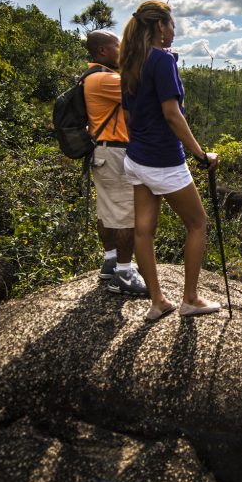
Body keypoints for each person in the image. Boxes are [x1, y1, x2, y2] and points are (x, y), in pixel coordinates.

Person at [119, 0, 221, 322]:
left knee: (143, 230)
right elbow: (172, 114)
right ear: (160, 26)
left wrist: (142, 143)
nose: (175, 31)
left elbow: (128, 114)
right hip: (163, 161)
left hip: (136, 158)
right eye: (173, 25)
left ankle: (158, 301)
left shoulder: (131, 60)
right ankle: (190, 299)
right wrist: (201, 154)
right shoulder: (162, 60)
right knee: (198, 223)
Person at [84, 31, 148, 298]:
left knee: (107, 211)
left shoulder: (92, 77)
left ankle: (111, 261)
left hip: (103, 152)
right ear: (102, 51)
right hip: (115, 153)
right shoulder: (106, 79)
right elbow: (145, 96)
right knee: (126, 216)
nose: (122, 51)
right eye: (118, 46)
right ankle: (123, 272)